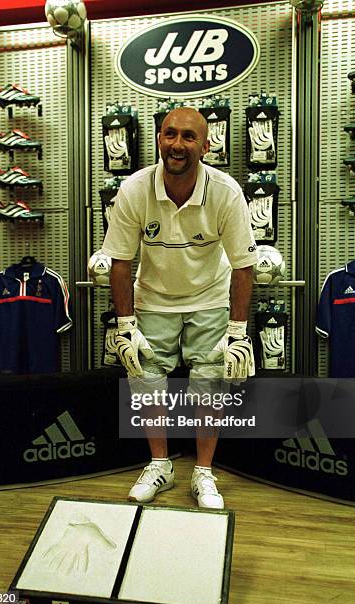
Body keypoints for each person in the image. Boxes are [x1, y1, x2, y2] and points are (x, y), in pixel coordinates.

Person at [102, 107, 257, 509]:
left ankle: (203, 472)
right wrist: (125, 326)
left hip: (209, 294)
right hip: (153, 296)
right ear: (158, 139)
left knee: (209, 383)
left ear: (205, 146)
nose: (177, 144)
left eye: (189, 137)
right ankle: (160, 465)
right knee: (145, 378)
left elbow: (244, 266)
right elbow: (120, 261)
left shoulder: (226, 191)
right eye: (170, 134)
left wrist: (237, 331)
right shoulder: (134, 189)